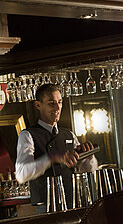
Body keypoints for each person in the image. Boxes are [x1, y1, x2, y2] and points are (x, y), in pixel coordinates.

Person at [15, 84, 97, 214]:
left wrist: (89, 157)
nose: (57, 107)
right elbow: (21, 174)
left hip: (73, 202)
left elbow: (87, 170)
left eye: (59, 102)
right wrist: (52, 158)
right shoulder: (28, 135)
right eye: (51, 103)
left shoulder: (69, 134)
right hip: (46, 207)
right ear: (38, 105)